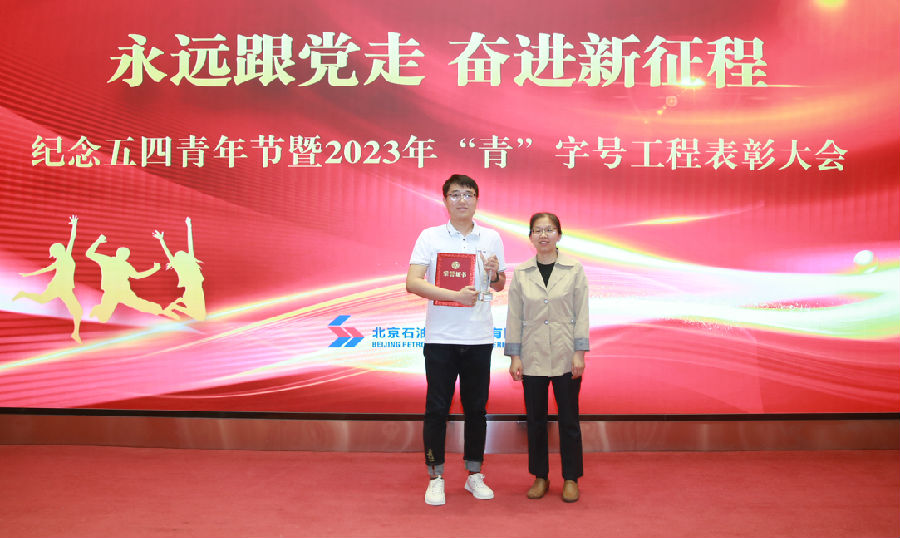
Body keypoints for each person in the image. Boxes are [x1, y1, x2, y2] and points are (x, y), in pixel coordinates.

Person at [406, 174, 506, 506]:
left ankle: (474, 473)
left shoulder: (491, 237)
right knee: (437, 408)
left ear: (476, 200)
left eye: (468, 194)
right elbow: (412, 282)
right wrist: (454, 296)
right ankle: (435, 476)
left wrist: (495, 272)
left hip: (479, 337)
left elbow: (499, 285)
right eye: (455, 194)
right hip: (441, 337)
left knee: (476, 408)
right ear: (445, 200)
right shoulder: (430, 236)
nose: (462, 200)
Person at [505, 212, 589, 503]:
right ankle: (540, 476)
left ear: (559, 235)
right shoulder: (522, 272)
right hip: (532, 355)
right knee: (536, 420)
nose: (543, 235)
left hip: (566, 355)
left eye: (549, 230)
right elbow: (514, 316)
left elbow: (582, 313)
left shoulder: (574, 269)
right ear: (530, 236)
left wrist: (579, 353)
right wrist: (514, 356)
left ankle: (571, 478)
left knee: (569, 420)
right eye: (538, 230)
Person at [13, 215, 84, 343]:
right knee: (43, 300)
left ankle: (75, 333)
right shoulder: (61, 259)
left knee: (77, 310)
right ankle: (23, 294)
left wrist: (74, 224)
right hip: (57, 286)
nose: (64, 248)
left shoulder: (66, 256)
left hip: (66, 288)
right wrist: (28, 275)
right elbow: (44, 270)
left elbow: (72, 238)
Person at [86, 234, 179, 322]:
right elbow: (89, 254)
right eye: (125, 254)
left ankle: (161, 311)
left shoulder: (125, 265)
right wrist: (98, 241)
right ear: (118, 254)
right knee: (104, 316)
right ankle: (98, 311)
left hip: (124, 293)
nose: (126, 256)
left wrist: (154, 269)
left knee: (140, 305)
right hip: (112, 292)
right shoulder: (108, 260)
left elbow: (138, 276)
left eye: (127, 255)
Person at [152, 217, 206, 321]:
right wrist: (189, 226)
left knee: (199, 316)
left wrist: (162, 240)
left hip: (195, 290)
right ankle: (177, 306)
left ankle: (177, 306)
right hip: (193, 291)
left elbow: (169, 252)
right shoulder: (186, 263)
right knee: (199, 316)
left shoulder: (183, 264)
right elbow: (190, 243)